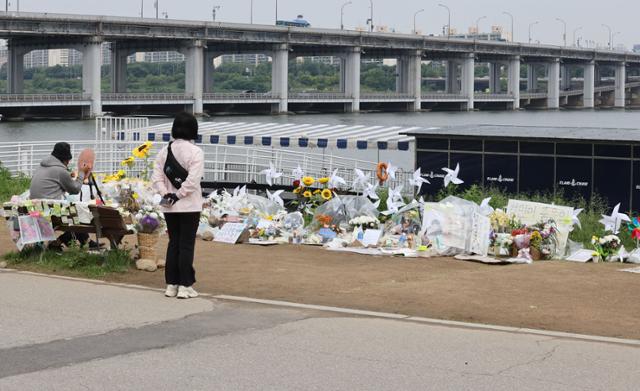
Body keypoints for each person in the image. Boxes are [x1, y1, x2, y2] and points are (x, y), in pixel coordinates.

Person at [152, 112, 204, 300]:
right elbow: (192, 181)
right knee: (186, 245)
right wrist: (179, 194)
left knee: (173, 243)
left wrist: (167, 194)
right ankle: (185, 285)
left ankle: (171, 285)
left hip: (168, 204)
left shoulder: (164, 151)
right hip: (189, 205)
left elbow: (156, 177)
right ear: (193, 130)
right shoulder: (196, 152)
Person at [29, 142, 92, 249]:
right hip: (51, 214)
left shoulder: (41, 167)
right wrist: (81, 173)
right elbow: (75, 189)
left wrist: (68, 176)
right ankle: (61, 241)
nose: (68, 163)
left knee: (74, 212)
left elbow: (52, 184)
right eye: (68, 160)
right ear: (65, 159)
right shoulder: (60, 171)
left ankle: (86, 241)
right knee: (79, 214)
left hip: (36, 210)